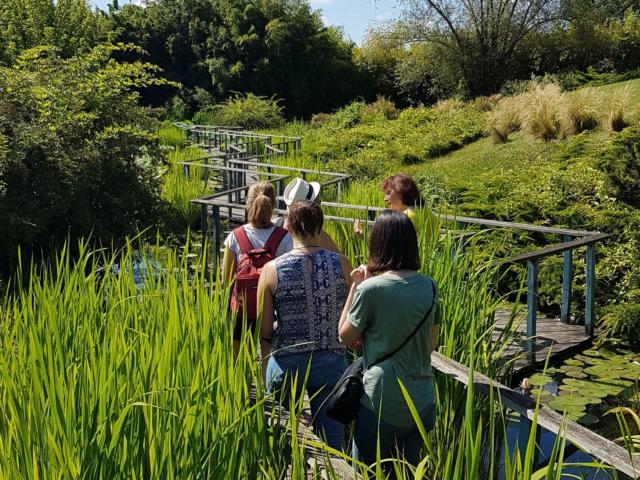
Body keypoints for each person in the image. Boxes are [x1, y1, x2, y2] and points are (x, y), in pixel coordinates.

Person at [338, 210, 440, 468]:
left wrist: (355, 286)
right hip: (422, 399)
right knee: (409, 471)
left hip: (381, 399)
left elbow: (344, 335)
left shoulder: (370, 289)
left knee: (365, 471)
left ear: (378, 243)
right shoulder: (430, 286)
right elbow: (430, 347)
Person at [258, 200, 353, 450]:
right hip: (331, 360)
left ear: (288, 226)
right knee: (332, 441)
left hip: (287, 361)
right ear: (320, 226)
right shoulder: (342, 264)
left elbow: (265, 331)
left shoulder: (270, 270)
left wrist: (265, 370)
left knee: (280, 437)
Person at [221, 181, 293, 356]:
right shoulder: (284, 238)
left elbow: (226, 280)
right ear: (274, 204)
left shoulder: (235, 236)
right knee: (268, 361)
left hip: (241, 310)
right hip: (273, 312)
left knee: (239, 364)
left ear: (248, 203)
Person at [354, 173, 438, 240]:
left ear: (401, 191)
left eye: (388, 193)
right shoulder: (428, 213)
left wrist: (363, 237)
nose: (385, 199)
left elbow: (388, 250)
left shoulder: (403, 218)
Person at [275, 177, 341, 253]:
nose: (320, 201)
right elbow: (340, 260)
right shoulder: (317, 235)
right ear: (311, 206)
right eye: (316, 199)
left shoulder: (276, 227)